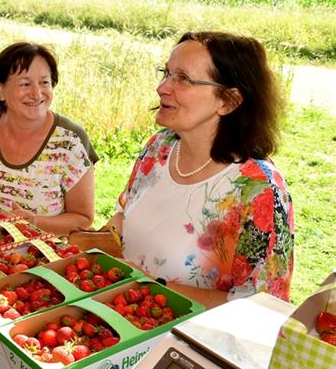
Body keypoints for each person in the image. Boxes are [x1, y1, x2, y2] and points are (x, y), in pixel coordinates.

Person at [109, 31, 294, 309]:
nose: (162, 87)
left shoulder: (258, 190)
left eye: (183, 79)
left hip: (188, 345)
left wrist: (148, 289)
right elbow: (124, 216)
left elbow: (262, 307)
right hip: (123, 320)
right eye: (166, 73)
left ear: (228, 101)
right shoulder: (158, 148)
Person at [0, 42, 98, 235]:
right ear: (1, 90)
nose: (36, 93)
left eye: (44, 82)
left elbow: (83, 219)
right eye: (25, 84)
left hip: (33, 256)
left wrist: (34, 221)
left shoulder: (70, 142)